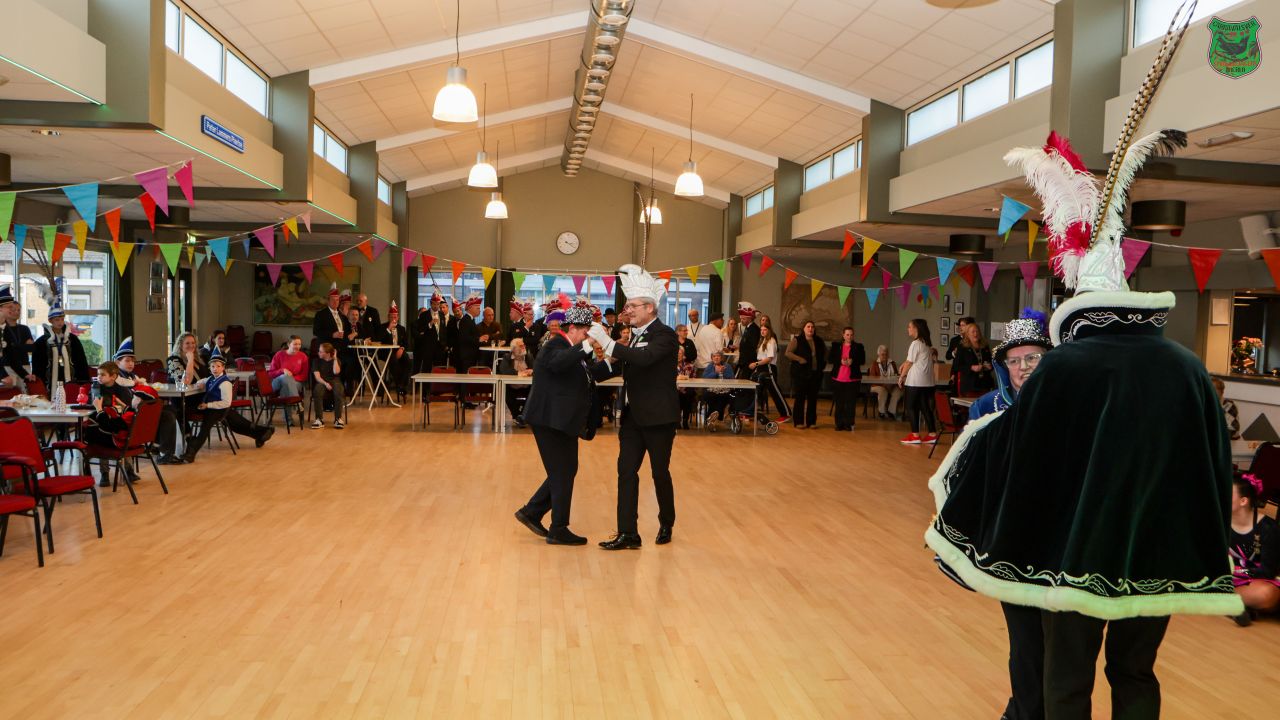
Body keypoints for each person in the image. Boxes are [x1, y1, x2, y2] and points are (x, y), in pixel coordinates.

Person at [929, 28, 1241, 716]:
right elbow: (1213, 462)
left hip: (1076, 557)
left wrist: (972, 450)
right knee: (1137, 674)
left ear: (1078, 297)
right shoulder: (1188, 368)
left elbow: (1022, 454)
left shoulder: (1066, 368)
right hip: (1160, 556)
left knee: (1066, 680)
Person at [957, 309, 1053, 720]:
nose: (1023, 367)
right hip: (1012, 545)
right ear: (1003, 366)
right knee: (1026, 640)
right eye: (1014, 360)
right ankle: (1024, 712)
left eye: (1032, 358)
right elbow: (966, 476)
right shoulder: (987, 408)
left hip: (1064, 545)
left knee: (1063, 644)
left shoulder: (1070, 406)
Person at [587, 264, 679, 550]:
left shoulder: (665, 335)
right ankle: (628, 532)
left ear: (650, 308)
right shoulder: (634, 335)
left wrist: (609, 343)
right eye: (627, 306)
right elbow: (620, 366)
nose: (628, 311)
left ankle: (667, 521)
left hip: (659, 417)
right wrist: (585, 368)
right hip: (632, 418)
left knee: (659, 473)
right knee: (626, 472)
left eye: (633, 306)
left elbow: (644, 359)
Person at [514, 305, 599, 546]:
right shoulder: (555, 345)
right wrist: (588, 344)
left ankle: (532, 512)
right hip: (548, 420)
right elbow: (559, 363)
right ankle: (558, 528)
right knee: (562, 472)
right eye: (585, 332)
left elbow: (589, 374)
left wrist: (615, 363)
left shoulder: (571, 348)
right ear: (572, 329)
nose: (588, 337)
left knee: (566, 470)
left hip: (561, 420)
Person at [181, 348, 273, 462]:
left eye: (218, 366)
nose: (215, 369)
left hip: (219, 410)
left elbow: (226, 403)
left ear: (223, 367)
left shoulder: (225, 383)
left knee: (205, 428)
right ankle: (261, 432)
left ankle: (191, 453)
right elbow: (202, 381)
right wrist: (199, 384)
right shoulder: (211, 378)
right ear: (210, 368)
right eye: (213, 366)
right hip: (212, 408)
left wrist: (208, 405)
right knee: (235, 424)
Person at [113, 336, 183, 465]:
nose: (131, 364)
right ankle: (163, 451)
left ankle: (160, 447)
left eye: (132, 361)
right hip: (130, 413)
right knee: (167, 415)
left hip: (141, 409)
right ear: (117, 363)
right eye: (127, 360)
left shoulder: (133, 376)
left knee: (170, 409)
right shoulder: (117, 379)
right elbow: (127, 400)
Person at [1229, 471, 1280, 626]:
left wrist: (1237, 571)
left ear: (1243, 501)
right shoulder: (1219, 523)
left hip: (1255, 581)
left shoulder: (1268, 528)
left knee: (1266, 594)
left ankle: (1226, 603)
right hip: (1225, 579)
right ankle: (1238, 606)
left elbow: (1267, 571)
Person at [82, 361, 143, 487]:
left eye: (102, 375)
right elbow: (91, 404)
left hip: (116, 424)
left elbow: (126, 410)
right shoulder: (96, 388)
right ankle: (104, 473)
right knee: (100, 433)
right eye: (98, 374)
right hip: (101, 421)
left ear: (113, 376)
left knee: (116, 435)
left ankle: (129, 470)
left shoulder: (122, 390)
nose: (99, 377)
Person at [31, 297, 90, 390]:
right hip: (49, 382)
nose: (60, 322)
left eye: (62, 319)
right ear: (50, 320)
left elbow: (81, 361)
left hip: (70, 379)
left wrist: (83, 380)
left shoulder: (72, 340)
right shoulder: (41, 342)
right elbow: (38, 366)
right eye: (57, 320)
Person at [896, 319, 937, 445]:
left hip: (915, 382)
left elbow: (910, 362)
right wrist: (904, 364)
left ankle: (915, 435)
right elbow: (914, 359)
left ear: (916, 329)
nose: (908, 329)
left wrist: (901, 376)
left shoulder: (915, 343)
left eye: (910, 327)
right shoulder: (926, 343)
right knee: (925, 407)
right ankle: (932, 434)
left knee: (910, 407)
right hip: (927, 382)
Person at [785, 321, 827, 429]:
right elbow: (788, 353)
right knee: (800, 398)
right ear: (803, 329)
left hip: (815, 374)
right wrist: (799, 359)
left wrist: (822, 365)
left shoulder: (819, 341)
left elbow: (824, 354)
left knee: (813, 399)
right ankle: (798, 422)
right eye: (808, 327)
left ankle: (811, 422)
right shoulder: (797, 340)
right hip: (800, 374)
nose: (810, 329)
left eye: (812, 327)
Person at [747, 323, 790, 423]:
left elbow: (769, 358)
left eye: (765, 330)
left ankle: (786, 414)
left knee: (775, 392)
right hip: (760, 368)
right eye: (761, 330)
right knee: (755, 390)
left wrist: (756, 364)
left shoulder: (771, 341)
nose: (762, 331)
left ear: (769, 331)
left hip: (768, 368)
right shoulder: (762, 341)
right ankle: (749, 412)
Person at [0, 284, 38, 391]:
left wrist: (25, 374)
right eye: (9, 307)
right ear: (0, 308)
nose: (13, 310)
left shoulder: (5, 328)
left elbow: (10, 355)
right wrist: (3, 375)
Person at [827, 326, 865, 432]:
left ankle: (849, 424)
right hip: (838, 379)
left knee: (850, 404)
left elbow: (862, 360)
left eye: (851, 335)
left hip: (852, 380)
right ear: (843, 335)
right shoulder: (836, 346)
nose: (849, 337)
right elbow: (830, 359)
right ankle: (839, 424)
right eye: (847, 334)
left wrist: (853, 361)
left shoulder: (859, 347)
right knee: (839, 403)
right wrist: (840, 361)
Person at [373, 301, 410, 396]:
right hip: (385, 352)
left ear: (398, 317)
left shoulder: (402, 328)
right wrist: (388, 329)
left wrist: (402, 349)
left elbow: (406, 343)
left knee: (407, 360)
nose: (393, 319)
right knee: (393, 360)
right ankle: (399, 384)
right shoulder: (382, 327)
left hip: (398, 350)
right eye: (391, 317)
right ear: (388, 317)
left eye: (395, 317)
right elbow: (378, 339)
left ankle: (402, 384)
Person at [497, 337, 534, 426]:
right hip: (512, 387)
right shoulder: (507, 357)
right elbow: (503, 370)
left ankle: (523, 416)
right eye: (520, 346)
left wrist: (532, 371)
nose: (524, 347)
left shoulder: (529, 357)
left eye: (524, 345)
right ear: (514, 349)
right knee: (505, 392)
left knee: (535, 392)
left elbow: (536, 369)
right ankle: (517, 416)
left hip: (526, 387)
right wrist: (518, 373)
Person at [952, 322, 994, 397]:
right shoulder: (962, 347)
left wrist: (989, 366)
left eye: (977, 331)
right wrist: (971, 367)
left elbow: (990, 361)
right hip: (970, 385)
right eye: (973, 332)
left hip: (985, 384)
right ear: (968, 334)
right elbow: (956, 366)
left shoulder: (985, 346)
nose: (976, 334)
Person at [310, 342, 346, 429]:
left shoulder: (336, 360)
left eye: (321, 351)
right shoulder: (316, 361)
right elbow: (317, 377)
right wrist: (326, 383)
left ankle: (338, 419)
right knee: (317, 391)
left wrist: (335, 359)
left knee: (338, 391)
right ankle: (319, 419)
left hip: (335, 381)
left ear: (328, 354)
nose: (318, 353)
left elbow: (336, 372)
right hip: (322, 381)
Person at [414, 293, 449, 372]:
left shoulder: (441, 314)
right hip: (428, 346)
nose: (436, 306)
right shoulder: (424, 315)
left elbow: (443, 330)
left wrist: (445, 344)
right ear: (430, 303)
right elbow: (420, 329)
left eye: (438, 304)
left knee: (439, 369)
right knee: (427, 369)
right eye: (434, 304)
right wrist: (430, 324)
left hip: (440, 346)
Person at [700, 350, 735, 427]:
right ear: (712, 358)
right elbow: (704, 378)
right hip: (711, 390)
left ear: (721, 358)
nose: (716, 358)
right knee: (710, 396)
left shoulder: (727, 366)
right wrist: (715, 372)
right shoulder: (710, 366)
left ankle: (710, 418)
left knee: (724, 396)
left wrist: (723, 372)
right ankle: (715, 417)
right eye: (714, 356)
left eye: (718, 356)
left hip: (724, 390)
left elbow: (732, 378)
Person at [868, 345, 901, 420]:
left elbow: (896, 376)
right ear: (879, 354)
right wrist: (884, 385)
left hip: (891, 385)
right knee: (883, 390)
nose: (885, 356)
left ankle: (891, 411)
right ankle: (881, 412)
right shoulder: (875, 363)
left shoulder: (892, 363)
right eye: (882, 354)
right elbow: (872, 379)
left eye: (886, 354)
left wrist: (891, 384)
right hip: (876, 385)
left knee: (898, 391)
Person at [312, 283, 348, 348]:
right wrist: (332, 334)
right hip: (326, 347)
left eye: (337, 300)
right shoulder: (321, 314)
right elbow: (316, 331)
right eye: (333, 300)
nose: (335, 302)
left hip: (340, 347)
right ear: (328, 301)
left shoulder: (341, 314)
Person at [457, 295, 483, 369]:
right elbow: (464, 338)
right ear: (470, 308)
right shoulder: (465, 320)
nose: (480, 310)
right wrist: (479, 339)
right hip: (467, 355)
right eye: (477, 308)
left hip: (470, 354)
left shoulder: (470, 320)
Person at [735, 301, 760, 379]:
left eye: (743, 319)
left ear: (750, 318)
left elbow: (753, 347)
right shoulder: (747, 328)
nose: (741, 321)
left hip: (749, 363)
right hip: (744, 362)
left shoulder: (754, 329)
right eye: (741, 319)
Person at [676, 345, 697, 430]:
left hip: (687, 388)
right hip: (674, 388)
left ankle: (685, 420)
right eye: (676, 353)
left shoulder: (690, 366)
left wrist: (684, 387)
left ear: (683, 354)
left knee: (689, 394)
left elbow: (693, 378)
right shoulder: (669, 365)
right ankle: (677, 420)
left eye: (680, 353)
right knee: (676, 395)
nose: (678, 355)